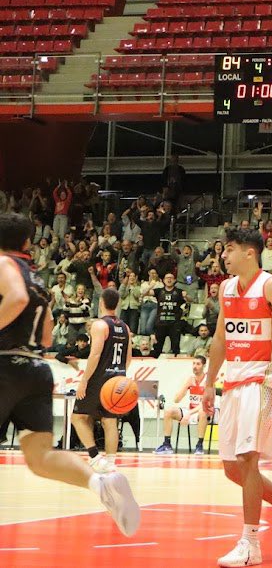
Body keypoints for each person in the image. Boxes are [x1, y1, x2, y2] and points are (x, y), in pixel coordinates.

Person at [0, 212, 140, 535]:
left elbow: (17, 299)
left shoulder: (6, 265)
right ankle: (100, 483)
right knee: (40, 458)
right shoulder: (35, 277)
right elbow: (47, 336)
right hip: (36, 370)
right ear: (26, 242)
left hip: (6, 365)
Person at [202, 227, 272, 567]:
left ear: (250, 252)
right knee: (232, 470)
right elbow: (220, 338)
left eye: (230, 249)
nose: (224, 255)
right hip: (233, 383)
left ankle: (251, 543)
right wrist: (208, 383)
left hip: (262, 382)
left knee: (248, 460)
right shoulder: (226, 288)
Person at [70, 287, 132, 473]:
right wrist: (119, 376)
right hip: (117, 378)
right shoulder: (125, 327)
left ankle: (95, 457)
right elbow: (128, 357)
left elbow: (95, 354)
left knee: (78, 417)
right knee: (109, 421)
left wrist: (84, 381)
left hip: (99, 377)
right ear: (118, 304)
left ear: (101, 303)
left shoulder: (99, 325)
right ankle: (111, 462)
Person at [156, 355, 211, 455]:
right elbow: (176, 400)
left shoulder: (208, 381)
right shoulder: (190, 379)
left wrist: (188, 414)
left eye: (198, 364)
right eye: (193, 364)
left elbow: (204, 403)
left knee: (203, 411)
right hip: (191, 410)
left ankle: (199, 446)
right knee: (168, 411)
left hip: (206, 412)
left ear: (204, 366)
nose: (195, 366)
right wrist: (186, 386)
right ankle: (167, 444)